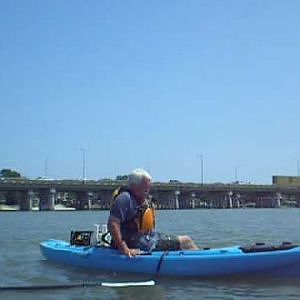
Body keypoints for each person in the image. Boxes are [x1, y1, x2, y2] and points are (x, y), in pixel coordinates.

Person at [108, 168, 199, 257]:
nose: (147, 192)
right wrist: (124, 249)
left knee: (181, 241)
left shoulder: (139, 200)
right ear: (134, 186)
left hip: (145, 238)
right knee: (186, 241)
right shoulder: (124, 198)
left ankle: (194, 259)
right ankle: (200, 263)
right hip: (137, 243)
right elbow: (113, 224)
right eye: (145, 189)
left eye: (148, 189)